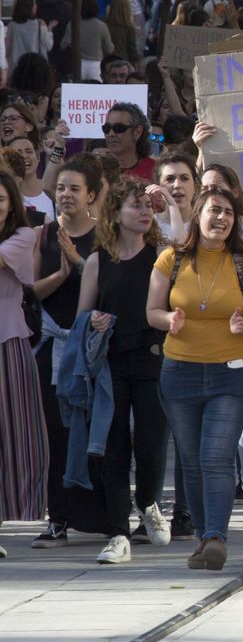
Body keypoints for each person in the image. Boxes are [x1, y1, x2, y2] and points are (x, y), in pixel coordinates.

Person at [146, 185, 243, 571]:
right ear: (198, 215)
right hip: (179, 373)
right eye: (214, 211)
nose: (220, 218)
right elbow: (152, 311)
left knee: (215, 457)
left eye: (228, 214)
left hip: (229, 375)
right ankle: (204, 538)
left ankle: (216, 536)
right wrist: (169, 319)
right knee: (192, 461)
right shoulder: (170, 260)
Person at [74, 177, 170, 563]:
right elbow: (81, 314)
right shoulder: (99, 259)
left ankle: (147, 502)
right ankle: (117, 533)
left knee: (150, 446)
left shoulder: (161, 254)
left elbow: (187, 244)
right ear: (115, 212)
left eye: (147, 206)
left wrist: (171, 206)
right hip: (111, 363)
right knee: (113, 449)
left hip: (153, 359)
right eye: (135, 206)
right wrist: (93, 318)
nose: (144, 212)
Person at [31, 155, 104, 547]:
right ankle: (56, 516)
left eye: (74, 188)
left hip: (90, 348)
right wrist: (59, 273)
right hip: (50, 346)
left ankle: (99, 516)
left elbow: (106, 289)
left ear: (91, 194)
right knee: (54, 434)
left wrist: (79, 265)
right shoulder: (43, 234)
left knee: (91, 431)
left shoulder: (103, 236)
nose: (65, 195)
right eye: (60, 188)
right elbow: (32, 291)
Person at [0, 171, 45, 527]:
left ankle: (17, 507)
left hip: (8, 338)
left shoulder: (22, 235)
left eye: (0, 200)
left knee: (17, 429)